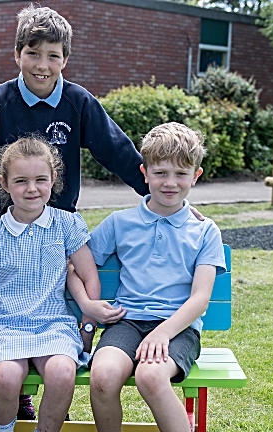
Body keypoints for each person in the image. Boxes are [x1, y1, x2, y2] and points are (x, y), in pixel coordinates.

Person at [0, 4, 150, 418]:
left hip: (59, 227)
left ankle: (61, 378)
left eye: (53, 55)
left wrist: (162, 198)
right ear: (17, 54)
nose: (42, 64)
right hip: (5, 223)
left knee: (60, 293)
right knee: (5, 290)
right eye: (33, 53)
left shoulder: (78, 102)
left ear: (65, 60)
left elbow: (120, 153)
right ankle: (15, 388)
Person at [0, 136, 125, 432]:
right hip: (4, 325)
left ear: (53, 179)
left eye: (40, 180)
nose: (31, 189)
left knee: (61, 373)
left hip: (53, 322)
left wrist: (87, 327)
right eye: (21, 181)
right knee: (6, 377)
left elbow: (88, 277)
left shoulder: (68, 224)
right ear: (5, 183)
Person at [82, 122, 227, 432]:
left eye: (180, 174)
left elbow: (200, 298)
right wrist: (87, 304)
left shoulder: (204, 231)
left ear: (195, 176)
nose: (170, 183)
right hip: (126, 322)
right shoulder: (120, 222)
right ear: (144, 173)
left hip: (178, 328)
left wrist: (163, 332)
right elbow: (78, 265)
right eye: (160, 173)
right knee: (104, 375)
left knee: (150, 376)